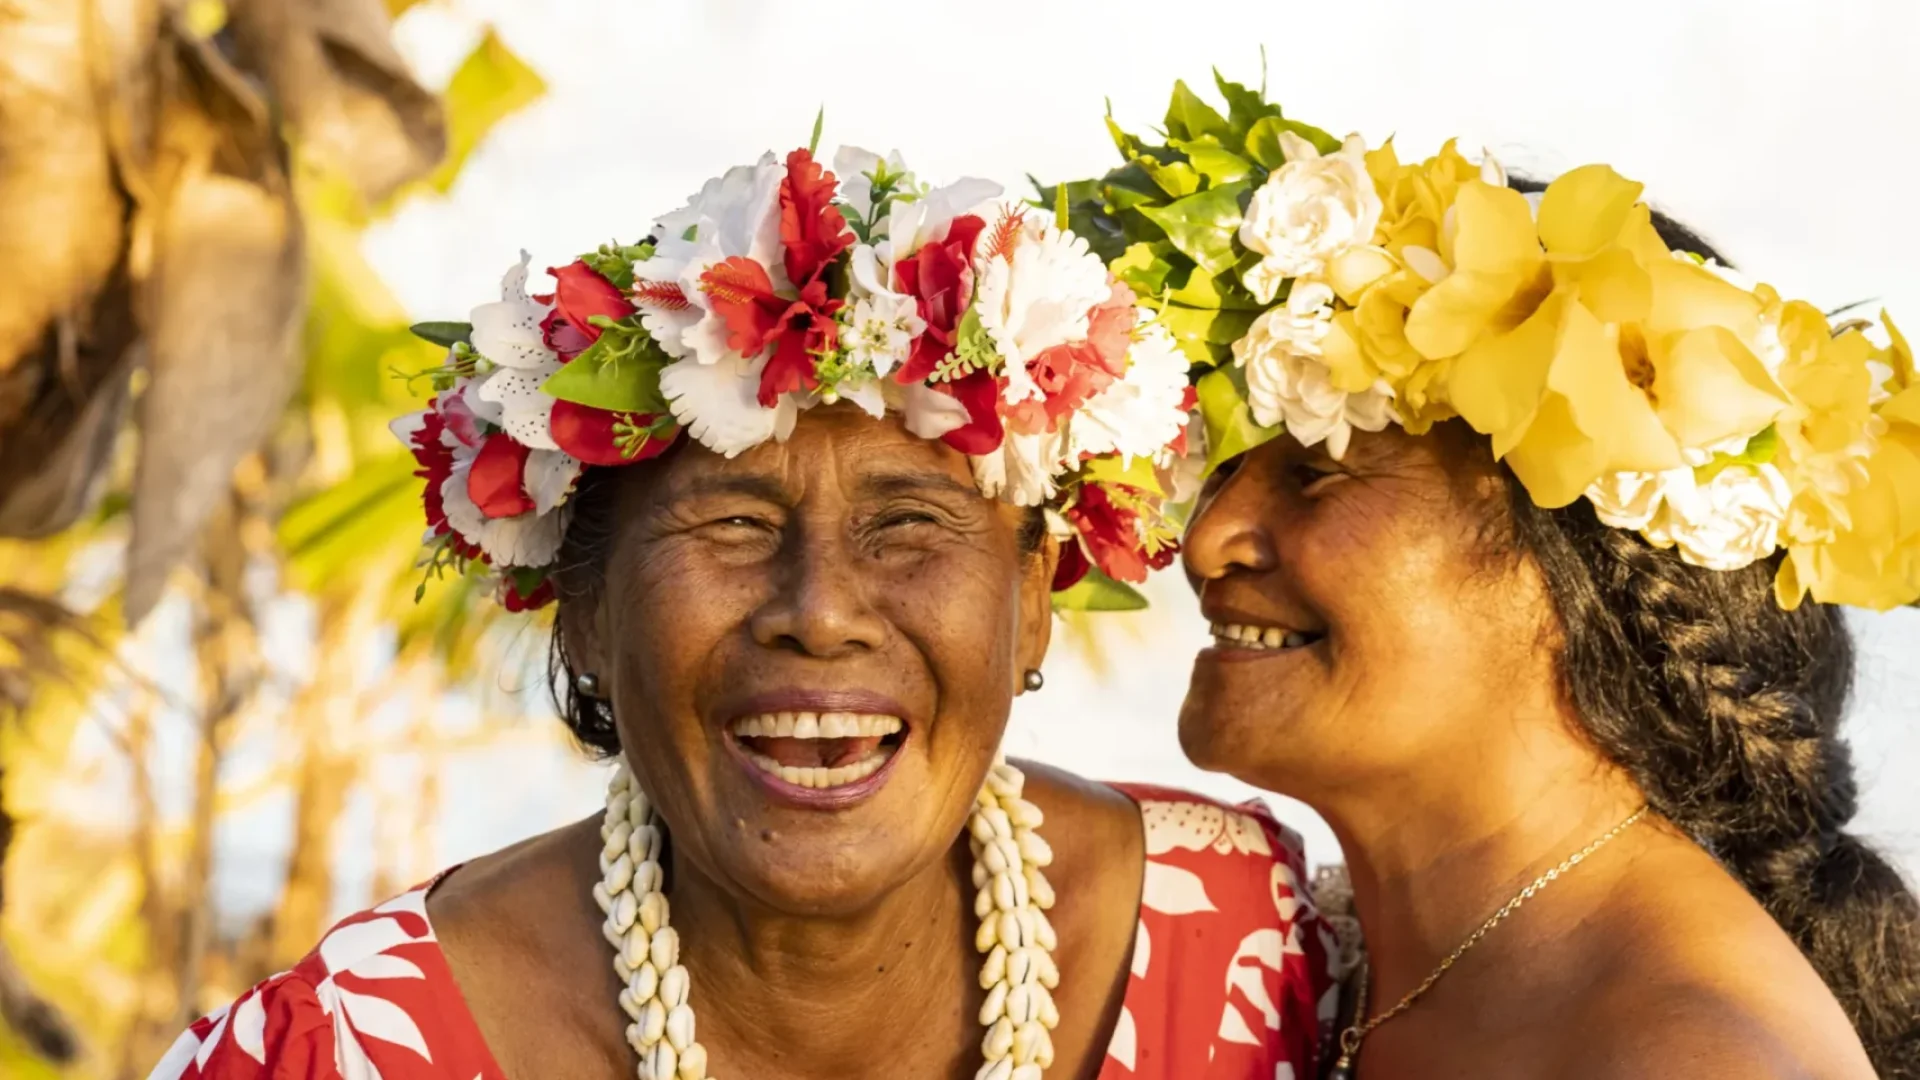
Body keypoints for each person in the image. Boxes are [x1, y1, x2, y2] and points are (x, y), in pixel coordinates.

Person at [149, 143, 1338, 1080]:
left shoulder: (1252, 949)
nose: (820, 615)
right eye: (731, 525)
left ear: (1030, 602)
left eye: (910, 524)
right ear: (584, 613)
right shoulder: (340, 1053)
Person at [1064, 77, 1920, 1078]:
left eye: (1316, 470)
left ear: (1565, 565)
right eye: (1219, 473)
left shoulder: (1690, 1057)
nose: (1207, 543)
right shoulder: (1327, 963)